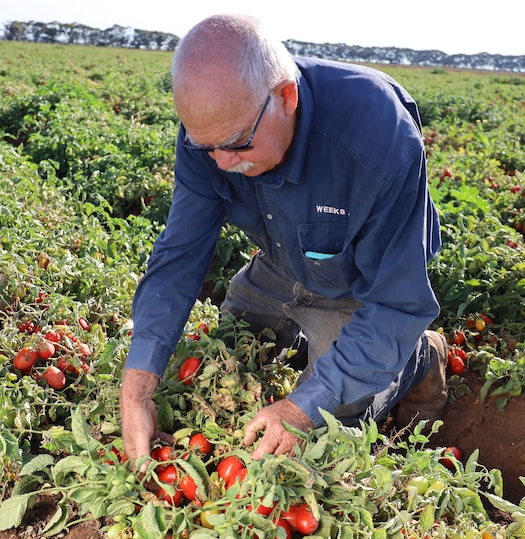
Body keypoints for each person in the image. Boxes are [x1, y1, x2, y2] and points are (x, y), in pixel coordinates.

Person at [119, 13, 447, 463]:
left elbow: (395, 302)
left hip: (359, 283)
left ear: (286, 97)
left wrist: (300, 407)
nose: (220, 162)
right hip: (280, 261)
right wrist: (138, 384)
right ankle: (311, 349)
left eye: (237, 144)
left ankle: (420, 358)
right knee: (231, 354)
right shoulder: (215, 130)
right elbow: (179, 254)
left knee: (334, 422)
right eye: (206, 147)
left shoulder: (378, 140)